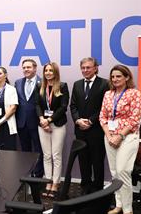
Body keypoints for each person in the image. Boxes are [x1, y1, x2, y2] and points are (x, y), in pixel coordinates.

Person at [100, 65, 141, 214]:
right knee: (114, 172)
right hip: (109, 136)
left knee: (123, 170)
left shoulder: (134, 94)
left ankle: (127, 209)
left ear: (126, 77)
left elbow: (134, 119)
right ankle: (118, 205)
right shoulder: (108, 94)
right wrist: (109, 135)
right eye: (113, 77)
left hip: (128, 137)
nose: (115, 79)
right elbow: (102, 116)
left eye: (118, 76)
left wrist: (119, 136)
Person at [70, 57, 109, 194]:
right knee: (83, 161)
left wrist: (91, 121)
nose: (85, 70)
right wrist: (77, 120)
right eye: (83, 68)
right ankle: (85, 187)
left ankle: (98, 189)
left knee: (97, 161)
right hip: (80, 130)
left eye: (88, 67)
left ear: (95, 68)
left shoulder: (105, 84)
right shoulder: (77, 84)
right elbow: (73, 105)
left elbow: (104, 107)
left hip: (96, 130)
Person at [35, 62, 69, 198]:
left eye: (51, 70)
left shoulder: (62, 86)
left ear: (55, 72)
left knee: (56, 155)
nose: (48, 73)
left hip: (57, 124)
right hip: (42, 124)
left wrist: (49, 120)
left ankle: (55, 183)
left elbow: (63, 107)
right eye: (46, 70)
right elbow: (37, 104)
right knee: (47, 155)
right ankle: (48, 181)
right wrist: (42, 119)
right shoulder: (40, 86)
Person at [15, 59, 44, 177]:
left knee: (38, 150)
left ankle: (38, 175)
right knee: (25, 151)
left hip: (37, 122)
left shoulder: (42, 82)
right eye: (24, 67)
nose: (26, 70)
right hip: (21, 122)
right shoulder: (17, 82)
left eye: (28, 67)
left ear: (35, 68)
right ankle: (27, 174)